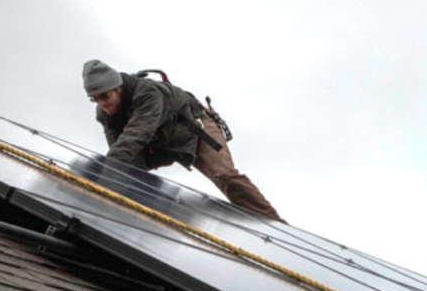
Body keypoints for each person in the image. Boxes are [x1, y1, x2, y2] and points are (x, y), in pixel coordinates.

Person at [81, 59, 283, 221]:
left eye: (105, 96)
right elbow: (121, 151)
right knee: (129, 173)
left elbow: (136, 134)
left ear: (118, 88)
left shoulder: (149, 93)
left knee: (225, 176)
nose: (101, 104)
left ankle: (274, 225)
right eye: (94, 99)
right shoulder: (105, 114)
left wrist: (105, 177)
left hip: (194, 130)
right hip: (160, 142)